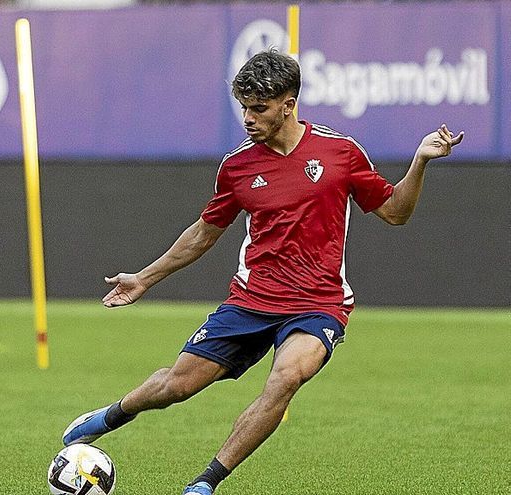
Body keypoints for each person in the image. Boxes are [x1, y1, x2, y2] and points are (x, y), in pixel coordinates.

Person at [61, 49, 463, 494]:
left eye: (259, 108)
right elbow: (202, 234)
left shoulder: (341, 152)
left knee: (286, 378)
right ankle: (112, 415)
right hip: (250, 301)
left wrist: (420, 162)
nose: (248, 118)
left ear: (288, 104)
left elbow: (395, 212)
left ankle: (204, 484)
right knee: (178, 386)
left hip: (318, 304)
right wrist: (143, 278)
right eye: (244, 107)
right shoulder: (236, 166)